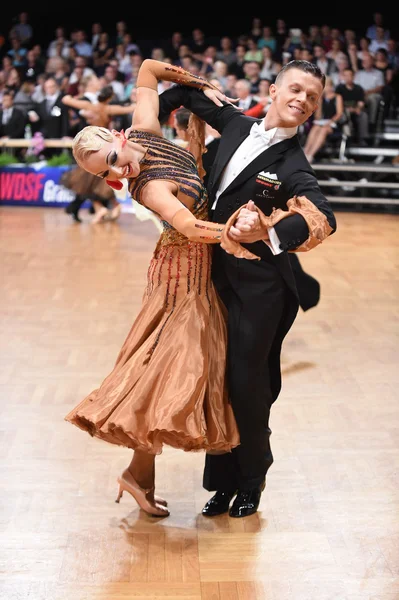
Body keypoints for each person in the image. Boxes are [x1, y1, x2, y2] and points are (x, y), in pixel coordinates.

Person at [64, 59, 248, 518]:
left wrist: (202, 83)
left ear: (118, 138)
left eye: (110, 158)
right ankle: (138, 473)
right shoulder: (147, 188)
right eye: (103, 172)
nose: (116, 172)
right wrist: (239, 233)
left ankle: (138, 476)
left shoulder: (144, 129)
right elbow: (187, 226)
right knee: (170, 373)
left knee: (165, 373)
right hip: (180, 274)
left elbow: (148, 69)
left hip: (190, 270)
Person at [157, 59, 337, 518]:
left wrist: (269, 234)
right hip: (211, 274)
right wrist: (154, 126)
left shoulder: (292, 162)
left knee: (247, 383)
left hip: (261, 290)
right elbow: (180, 94)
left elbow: (320, 216)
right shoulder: (235, 123)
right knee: (217, 380)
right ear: (273, 90)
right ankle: (221, 484)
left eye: (311, 97)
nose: (302, 100)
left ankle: (252, 481)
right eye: (295, 89)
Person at [61, 84, 136, 223]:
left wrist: (72, 97)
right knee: (94, 186)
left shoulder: (89, 106)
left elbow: (65, 100)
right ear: (110, 98)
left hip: (90, 149)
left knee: (89, 185)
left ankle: (100, 209)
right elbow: (130, 108)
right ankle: (103, 208)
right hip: (103, 149)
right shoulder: (108, 109)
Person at [302, 76, 344, 163]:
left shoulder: (337, 97)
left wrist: (331, 121)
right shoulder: (322, 98)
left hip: (334, 123)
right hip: (322, 122)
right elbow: (318, 116)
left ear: (332, 86)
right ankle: (305, 153)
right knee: (315, 128)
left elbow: (339, 114)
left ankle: (311, 155)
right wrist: (319, 101)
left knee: (324, 129)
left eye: (327, 86)